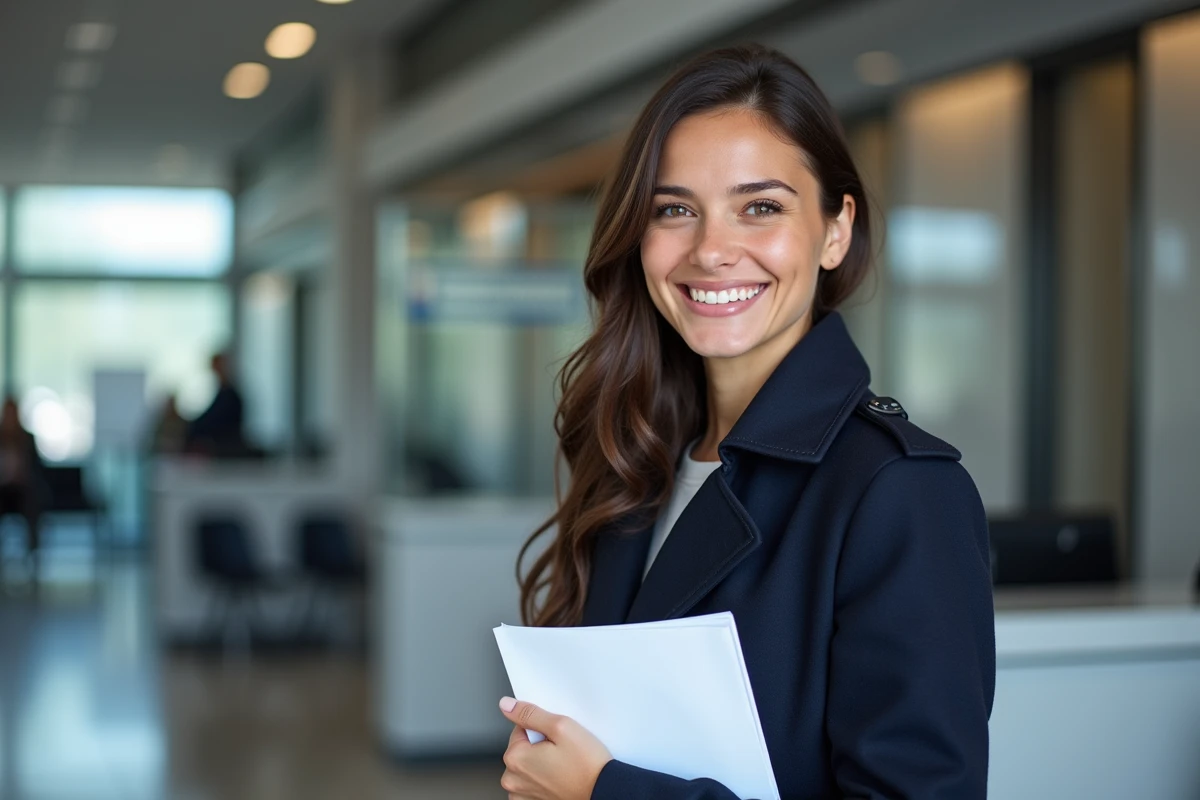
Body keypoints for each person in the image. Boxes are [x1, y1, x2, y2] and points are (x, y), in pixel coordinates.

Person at [499, 45, 995, 799]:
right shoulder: (637, 456)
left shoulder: (899, 491)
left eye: (760, 207)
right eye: (675, 210)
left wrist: (606, 792)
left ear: (835, 231)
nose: (711, 250)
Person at [0, 396, 48, 577]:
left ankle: (32, 551)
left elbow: (38, 468)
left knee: (33, 496)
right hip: (2, 489)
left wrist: (22, 474)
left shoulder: (27, 438)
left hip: (23, 489)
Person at [185, 352, 246, 456]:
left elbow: (214, 419)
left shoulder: (230, 396)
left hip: (226, 450)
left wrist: (191, 428)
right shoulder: (223, 393)